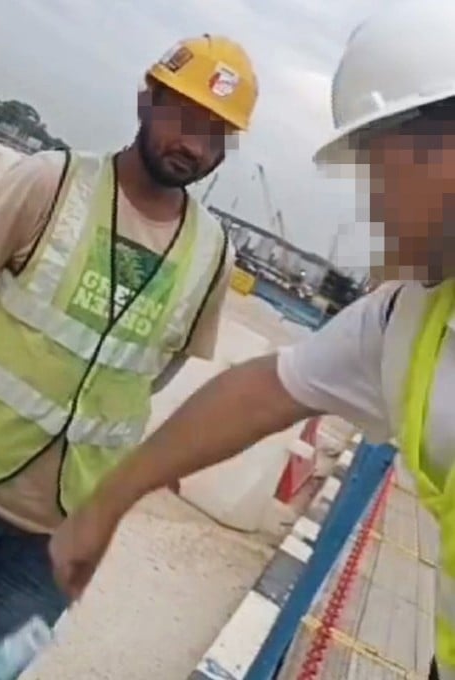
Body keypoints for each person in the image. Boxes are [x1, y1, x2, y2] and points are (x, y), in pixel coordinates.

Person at [47, 3, 455, 679]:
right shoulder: (406, 318)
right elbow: (263, 389)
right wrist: (109, 502)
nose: (372, 206)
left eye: (378, 170)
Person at [0, 35, 259, 678]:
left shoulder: (212, 254)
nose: (194, 145)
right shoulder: (50, 183)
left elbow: (156, 370)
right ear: (147, 100)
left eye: (215, 134)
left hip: (62, 535)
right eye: (184, 117)